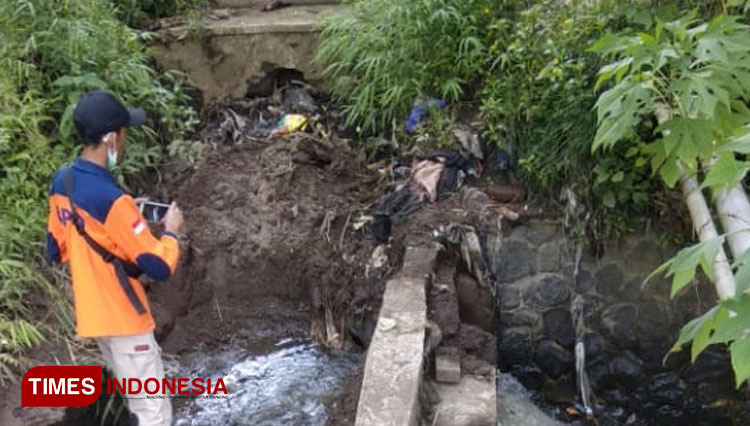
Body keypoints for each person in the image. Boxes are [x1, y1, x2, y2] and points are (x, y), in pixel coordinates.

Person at [46, 90, 183, 426]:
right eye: (123, 134)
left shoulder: (62, 181)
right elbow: (159, 266)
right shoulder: (113, 200)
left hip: (95, 316)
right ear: (110, 138)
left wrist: (123, 224)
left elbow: (56, 249)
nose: (125, 142)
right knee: (153, 414)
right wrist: (171, 232)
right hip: (125, 320)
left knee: (135, 402)